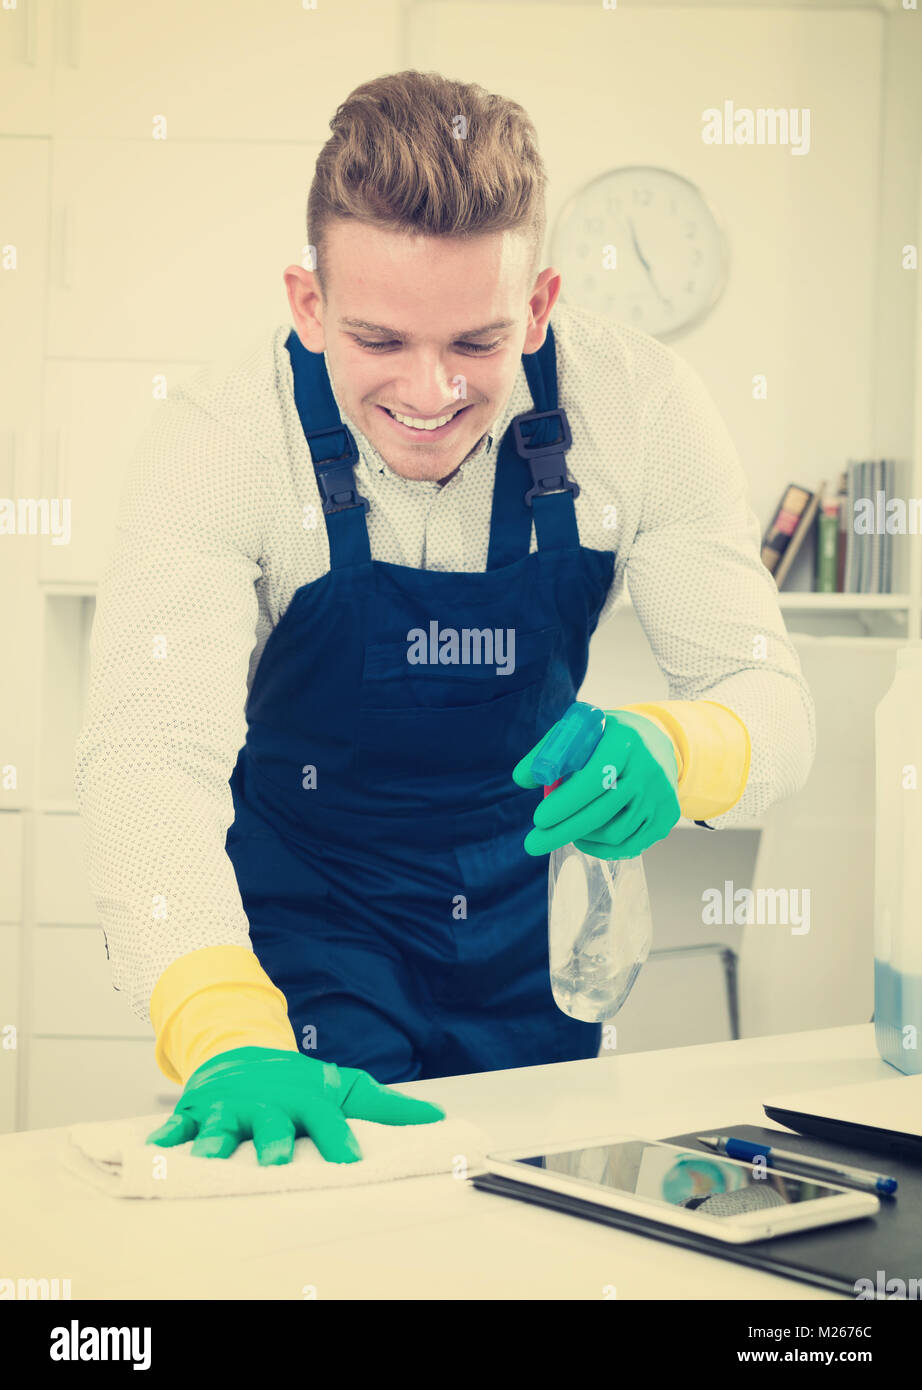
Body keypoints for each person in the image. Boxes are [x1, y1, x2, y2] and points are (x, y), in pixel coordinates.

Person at [75, 70, 815, 1166]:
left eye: (478, 343)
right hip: (306, 942)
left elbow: (774, 703)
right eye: (379, 341)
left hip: (534, 946)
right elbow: (148, 751)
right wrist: (222, 1030)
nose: (430, 393)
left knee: (535, 1241)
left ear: (541, 303)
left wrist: (680, 746)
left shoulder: (642, 408)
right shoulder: (221, 442)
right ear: (308, 303)